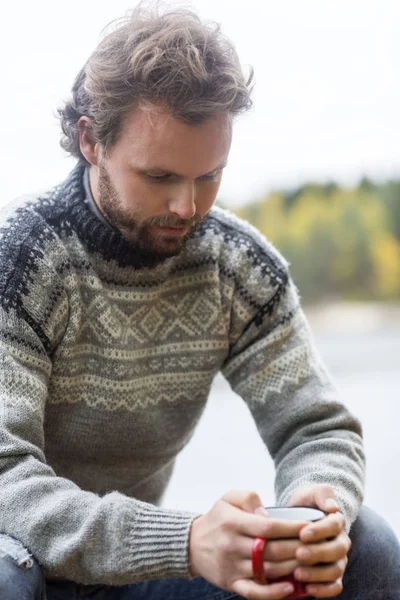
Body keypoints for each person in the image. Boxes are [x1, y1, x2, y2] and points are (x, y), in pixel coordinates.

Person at [0, 5, 398, 600]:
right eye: (159, 177)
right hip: (22, 559)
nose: (188, 206)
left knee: (367, 547)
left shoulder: (237, 266)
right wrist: (186, 541)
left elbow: (316, 428)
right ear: (91, 141)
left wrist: (319, 503)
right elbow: (6, 479)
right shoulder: (23, 262)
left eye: (209, 176)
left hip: (131, 574)